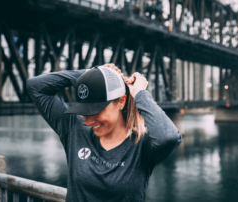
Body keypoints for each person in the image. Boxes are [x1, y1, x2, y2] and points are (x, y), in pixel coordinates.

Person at [26, 63, 182, 202]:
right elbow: (35, 86)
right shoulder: (74, 130)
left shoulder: (142, 146)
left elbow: (169, 137)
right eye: (84, 112)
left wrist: (140, 93)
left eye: (96, 111)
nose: (87, 121)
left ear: (121, 101)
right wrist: (91, 75)